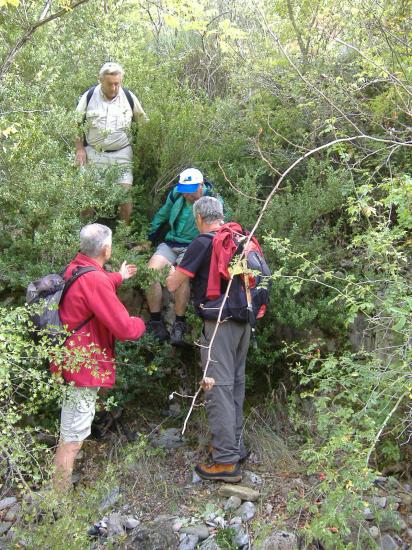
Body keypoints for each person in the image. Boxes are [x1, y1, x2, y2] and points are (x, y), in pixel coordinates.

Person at [51, 223, 146, 490]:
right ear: (106, 249)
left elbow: (94, 283)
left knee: (72, 431)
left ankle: (58, 497)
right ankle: (58, 506)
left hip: (67, 360)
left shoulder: (76, 267)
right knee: (71, 439)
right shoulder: (94, 280)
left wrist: (119, 276)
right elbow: (125, 328)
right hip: (81, 367)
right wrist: (144, 323)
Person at [166, 197, 250, 482]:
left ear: (198, 218)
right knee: (235, 384)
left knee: (218, 388)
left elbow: (174, 283)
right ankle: (234, 447)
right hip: (243, 322)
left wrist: (169, 273)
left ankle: (225, 462)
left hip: (218, 326)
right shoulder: (238, 237)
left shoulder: (202, 243)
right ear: (222, 215)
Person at [146, 167, 222, 345]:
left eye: (190, 191)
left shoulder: (212, 200)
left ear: (201, 186)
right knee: (150, 272)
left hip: (194, 245)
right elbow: (163, 214)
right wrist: (149, 238)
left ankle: (179, 323)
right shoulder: (176, 195)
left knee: (182, 277)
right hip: (171, 242)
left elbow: (221, 225)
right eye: (184, 191)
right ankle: (155, 321)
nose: (186, 195)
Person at [75, 62, 148, 224]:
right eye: (110, 84)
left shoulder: (128, 97)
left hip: (122, 152)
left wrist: (142, 149)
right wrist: (79, 149)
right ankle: (86, 235)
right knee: (87, 194)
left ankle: (124, 236)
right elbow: (75, 123)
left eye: (117, 83)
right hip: (93, 152)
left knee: (124, 194)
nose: (114, 88)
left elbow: (143, 122)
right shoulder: (89, 96)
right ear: (100, 80)